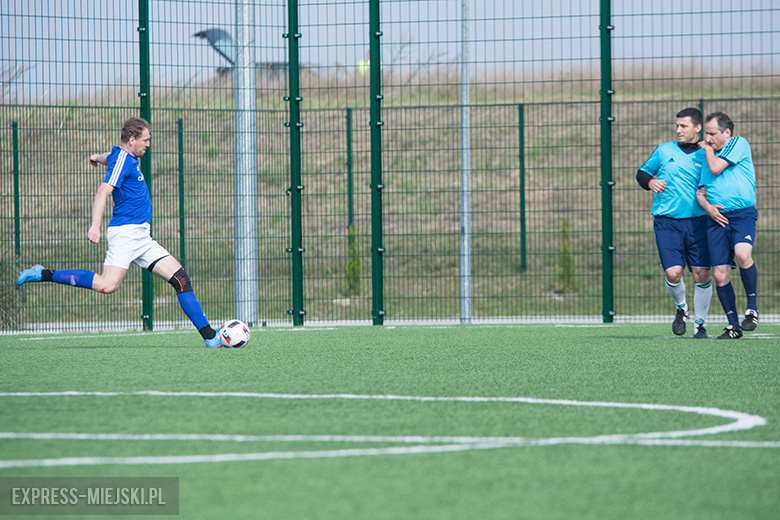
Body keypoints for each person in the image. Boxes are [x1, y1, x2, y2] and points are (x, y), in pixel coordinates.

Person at [17, 117, 223, 347]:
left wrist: (96, 157)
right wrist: (95, 226)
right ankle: (43, 273)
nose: (148, 144)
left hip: (142, 237)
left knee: (181, 280)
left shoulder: (121, 155)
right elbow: (102, 192)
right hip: (125, 234)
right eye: (145, 140)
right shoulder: (124, 161)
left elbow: (109, 157)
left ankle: (210, 337)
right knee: (107, 285)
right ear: (132, 140)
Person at [637, 107, 713, 338]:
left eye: (684, 126)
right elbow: (641, 173)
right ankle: (682, 309)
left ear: (698, 128)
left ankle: (700, 324)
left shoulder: (708, 154)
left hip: (699, 223)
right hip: (667, 223)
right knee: (673, 273)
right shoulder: (663, 150)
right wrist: (650, 182)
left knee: (701, 274)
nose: (678, 130)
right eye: (677, 126)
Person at [696, 111, 758, 340]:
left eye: (712, 133)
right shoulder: (706, 157)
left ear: (727, 133)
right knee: (720, 275)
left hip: (742, 216)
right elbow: (700, 192)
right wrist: (708, 207)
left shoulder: (738, 144)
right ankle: (733, 326)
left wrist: (708, 149)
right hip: (716, 220)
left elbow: (715, 169)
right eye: (706, 134)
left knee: (743, 254)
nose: (708, 138)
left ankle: (752, 309)